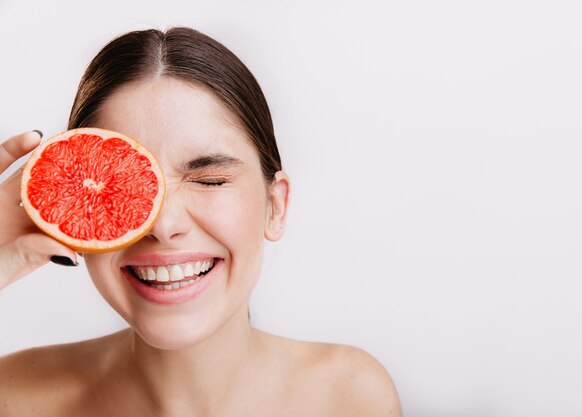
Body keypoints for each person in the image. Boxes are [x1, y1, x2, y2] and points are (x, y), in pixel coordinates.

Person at [0, 27, 402, 416]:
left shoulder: (350, 396)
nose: (163, 223)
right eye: (122, 188)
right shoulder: (13, 397)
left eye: (210, 180)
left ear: (275, 206)